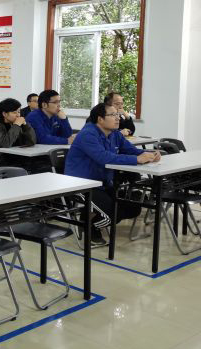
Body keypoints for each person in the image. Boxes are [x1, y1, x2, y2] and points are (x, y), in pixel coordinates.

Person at [65, 102, 160, 244]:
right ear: (100, 119)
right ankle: (89, 226)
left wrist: (150, 153)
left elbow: (131, 150)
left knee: (133, 208)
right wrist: (137, 159)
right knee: (111, 216)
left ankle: (89, 217)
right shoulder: (87, 134)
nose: (118, 118)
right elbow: (104, 158)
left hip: (103, 183)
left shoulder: (114, 133)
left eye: (117, 114)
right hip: (82, 184)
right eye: (112, 115)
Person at [0, 98, 36, 173]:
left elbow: (31, 142)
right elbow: (6, 143)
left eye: (19, 112)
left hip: (14, 161)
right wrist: (16, 125)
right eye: (14, 112)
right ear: (4, 114)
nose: (18, 115)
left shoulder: (15, 124)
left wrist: (25, 125)